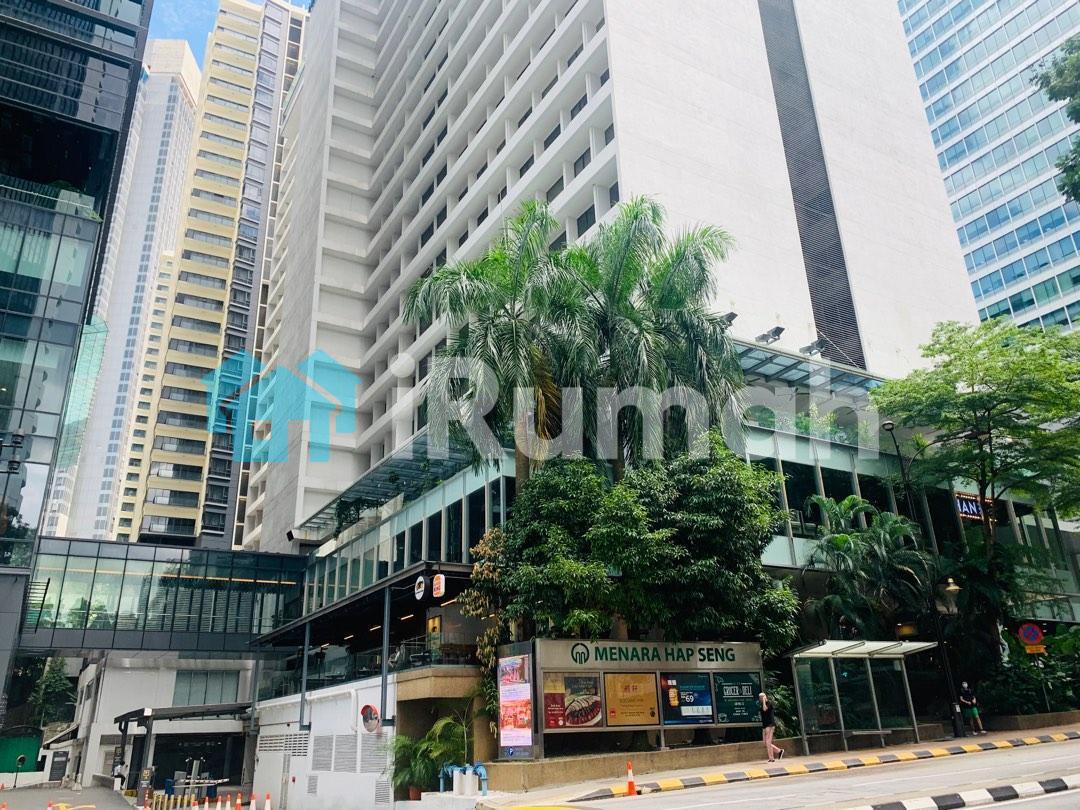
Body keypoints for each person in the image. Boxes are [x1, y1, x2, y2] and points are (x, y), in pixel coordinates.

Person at [759, 692, 785, 762]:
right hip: (764, 725)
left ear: (765, 697)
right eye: (760, 697)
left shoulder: (769, 703)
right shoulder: (762, 705)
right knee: (765, 742)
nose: (760, 699)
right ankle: (779, 751)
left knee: (768, 742)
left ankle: (771, 758)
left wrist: (764, 700)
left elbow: (765, 709)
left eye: (761, 697)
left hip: (770, 725)